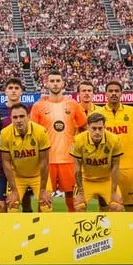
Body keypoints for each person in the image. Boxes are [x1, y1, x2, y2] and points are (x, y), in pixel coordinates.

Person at [30, 71, 86, 212]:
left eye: (58, 81)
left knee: (73, 201)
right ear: (46, 83)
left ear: (63, 83)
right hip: (46, 160)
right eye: (52, 81)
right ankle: (42, 224)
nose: (55, 84)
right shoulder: (38, 106)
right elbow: (33, 133)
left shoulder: (73, 104)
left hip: (68, 159)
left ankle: (73, 224)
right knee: (44, 200)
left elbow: (84, 127)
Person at [98, 80, 133, 211]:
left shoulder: (132, 111)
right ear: (105, 94)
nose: (114, 93)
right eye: (110, 91)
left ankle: (129, 226)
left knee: (130, 205)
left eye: (116, 91)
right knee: (105, 205)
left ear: (121, 93)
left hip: (128, 167)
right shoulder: (98, 113)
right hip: (105, 168)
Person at [0, 104, 52, 212]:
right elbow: (6, 163)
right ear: (11, 118)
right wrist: (14, 191)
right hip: (17, 176)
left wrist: (42, 190)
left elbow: (44, 162)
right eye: (15, 117)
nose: (19, 120)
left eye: (22, 116)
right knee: (12, 207)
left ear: (28, 116)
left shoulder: (40, 132)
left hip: (38, 176)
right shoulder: (4, 133)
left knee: (46, 206)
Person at [0, 77, 34, 212]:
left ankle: (29, 221)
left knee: (26, 200)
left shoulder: (29, 109)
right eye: (10, 88)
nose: (13, 91)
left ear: (21, 91)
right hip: (4, 160)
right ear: (5, 91)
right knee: (3, 201)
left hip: (24, 159)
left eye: (16, 88)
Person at [71, 113, 123, 212]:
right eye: (94, 128)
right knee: (79, 207)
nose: (97, 132)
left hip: (106, 180)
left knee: (117, 207)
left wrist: (114, 192)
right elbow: (77, 168)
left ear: (104, 127)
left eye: (100, 128)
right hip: (86, 180)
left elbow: (116, 166)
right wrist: (80, 192)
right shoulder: (78, 140)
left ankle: (108, 223)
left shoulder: (114, 140)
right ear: (88, 127)